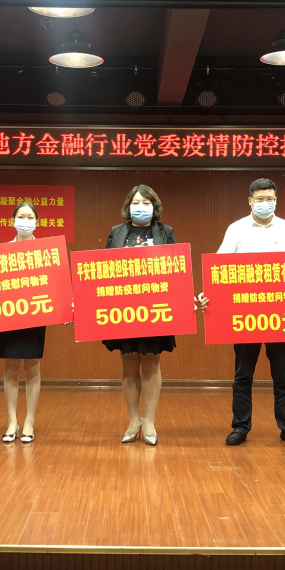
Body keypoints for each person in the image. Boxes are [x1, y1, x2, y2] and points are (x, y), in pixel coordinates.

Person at [200, 178, 285, 447]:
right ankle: (240, 426)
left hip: (280, 314)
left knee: (283, 374)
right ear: (250, 201)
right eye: (260, 199)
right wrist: (207, 295)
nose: (265, 203)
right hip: (245, 313)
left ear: (276, 200)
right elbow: (219, 268)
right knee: (243, 375)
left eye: (270, 199)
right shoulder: (236, 229)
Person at [102, 184, 176, 446]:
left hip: (154, 309)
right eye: (136, 202)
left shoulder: (165, 232)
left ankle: (150, 421)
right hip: (123, 309)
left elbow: (176, 270)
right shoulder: (116, 232)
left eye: (146, 203)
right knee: (129, 363)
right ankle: (134, 420)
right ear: (128, 206)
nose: (141, 207)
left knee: (152, 362)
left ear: (154, 207)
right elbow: (102, 270)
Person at [0, 201, 45, 443]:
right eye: (20, 216)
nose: (24, 221)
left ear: (37, 221)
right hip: (8, 315)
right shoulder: (2, 251)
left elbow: (55, 284)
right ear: (13, 220)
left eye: (29, 217)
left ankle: (29, 421)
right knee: (10, 368)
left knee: (32, 367)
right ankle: (12, 422)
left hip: (36, 314)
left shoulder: (46, 251)